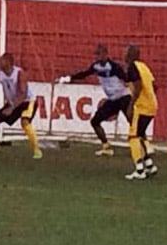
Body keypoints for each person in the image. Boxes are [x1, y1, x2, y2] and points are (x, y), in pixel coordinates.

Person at [57, 44, 131, 156]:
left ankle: (145, 146)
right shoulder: (96, 67)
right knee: (95, 121)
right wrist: (69, 78)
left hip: (123, 97)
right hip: (112, 100)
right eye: (96, 54)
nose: (97, 57)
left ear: (106, 54)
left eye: (99, 54)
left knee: (133, 122)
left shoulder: (114, 67)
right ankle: (106, 147)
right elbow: (84, 74)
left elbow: (126, 78)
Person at [123, 45, 158, 180]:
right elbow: (154, 86)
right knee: (140, 134)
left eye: (125, 52)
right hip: (152, 105)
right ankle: (149, 166)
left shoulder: (133, 67)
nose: (123, 54)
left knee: (133, 137)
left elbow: (138, 85)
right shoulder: (144, 66)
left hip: (141, 106)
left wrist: (131, 104)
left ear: (130, 55)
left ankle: (139, 170)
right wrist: (149, 96)